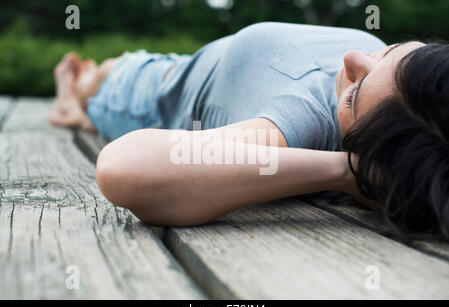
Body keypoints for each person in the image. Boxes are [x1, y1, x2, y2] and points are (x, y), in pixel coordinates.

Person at [49, 22, 449, 241]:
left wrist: (347, 170)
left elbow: (125, 167)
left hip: (149, 92)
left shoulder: (301, 120)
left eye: (354, 92)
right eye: (391, 50)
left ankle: (73, 100)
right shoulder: (419, 93)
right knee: (110, 67)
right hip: (188, 62)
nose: (354, 57)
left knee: (100, 78)